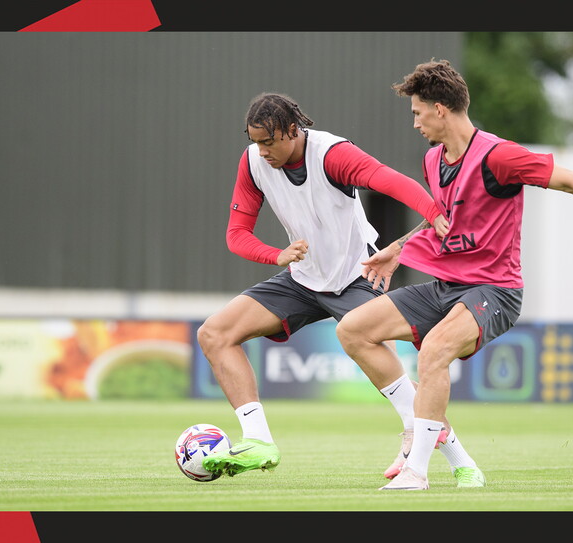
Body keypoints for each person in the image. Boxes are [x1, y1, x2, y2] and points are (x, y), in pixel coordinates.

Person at [336, 59, 573, 490]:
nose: (416, 123)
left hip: (495, 290)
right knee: (353, 330)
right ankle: (439, 438)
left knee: (434, 352)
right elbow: (439, 220)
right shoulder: (430, 161)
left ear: (441, 109)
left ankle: (416, 471)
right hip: (447, 285)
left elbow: (569, 180)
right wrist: (396, 250)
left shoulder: (499, 156)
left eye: (418, 112)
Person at [197, 92, 482, 486]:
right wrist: (275, 255)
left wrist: (433, 213)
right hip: (300, 278)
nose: (261, 151)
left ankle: (461, 461)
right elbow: (236, 234)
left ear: (294, 131)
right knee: (214, 334)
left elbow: (390, 180)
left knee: (398, 389)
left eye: (269, 142)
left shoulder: (331, 154)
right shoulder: (252, 163)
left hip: (356, 275)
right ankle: (259, 441)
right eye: (255, 141)